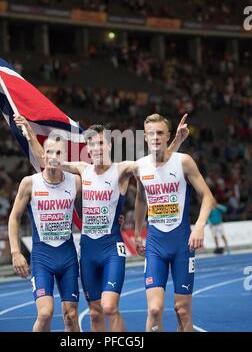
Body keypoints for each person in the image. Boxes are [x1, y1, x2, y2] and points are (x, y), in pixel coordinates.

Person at [14, 114, 189, 332]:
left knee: (109, 307)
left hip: (111, 249)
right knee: (95, 312)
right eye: (91, 144)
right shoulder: (82, 169)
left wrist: (177, 142)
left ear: (108, 144)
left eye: (100, 143)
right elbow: (46, 160)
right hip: (88, 250)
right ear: (87, 148)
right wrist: (30, 134)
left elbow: (155, 161)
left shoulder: (123, 169)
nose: (96, 148)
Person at [134, 114, 214, 332]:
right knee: (154, 310)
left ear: (167, 135)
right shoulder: (140, 166)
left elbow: (208, 197)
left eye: (160, 132)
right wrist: (138, 232)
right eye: (151, 133)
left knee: (183, 311)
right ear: (145, 137)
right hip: (155, 245)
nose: (156, 137)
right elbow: (141, 199)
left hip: (182, 245)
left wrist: (199, 226)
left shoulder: (184, 161)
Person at [8, 135, 81, 332]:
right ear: (43, 154)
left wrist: (116, 219)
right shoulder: (30, 183)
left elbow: (91, 208)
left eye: (58, 152)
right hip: (42, 258)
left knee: (71, 316)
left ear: (64, 156)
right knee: (45, 313)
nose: (53, 156)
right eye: (49, 151)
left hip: (67, 257)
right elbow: (14, 218)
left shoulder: (75, 182)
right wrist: (16, 253)